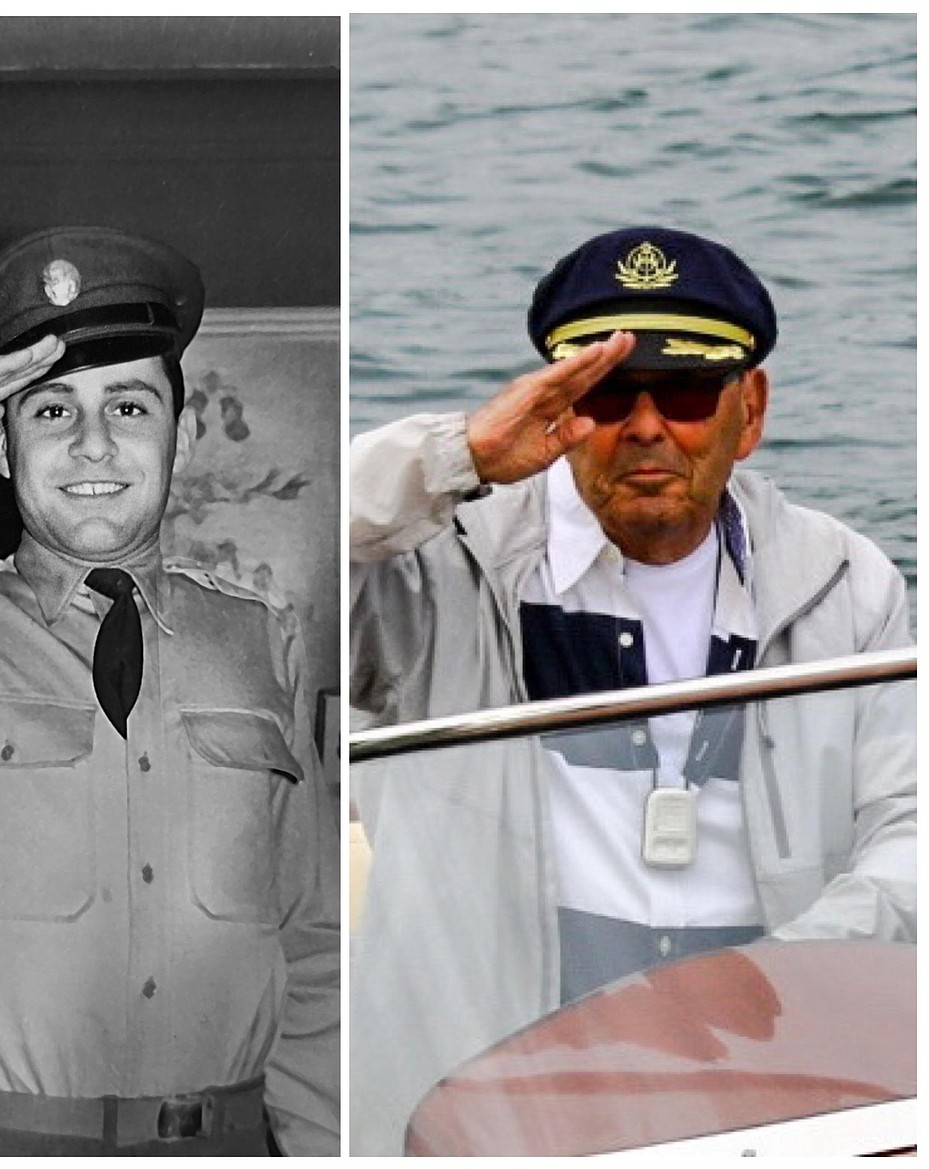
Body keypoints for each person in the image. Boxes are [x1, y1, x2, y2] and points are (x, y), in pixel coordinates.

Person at [0, 226, 340, 1157]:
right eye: (49, 412)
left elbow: (312, 952)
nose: (92, 443)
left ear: (182, 435)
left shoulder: (257, 643)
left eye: (128, 406)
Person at [349, 225, 915, 1154]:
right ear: (557, 406)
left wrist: (793, 969)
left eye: (687, 393)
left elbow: (912, 826)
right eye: (608, 393)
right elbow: (296, 543)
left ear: (752, 408)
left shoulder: (847, 581)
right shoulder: (436, 567)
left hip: (773, 1084)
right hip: (489, 1103)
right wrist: (456, 459)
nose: (646, 427)